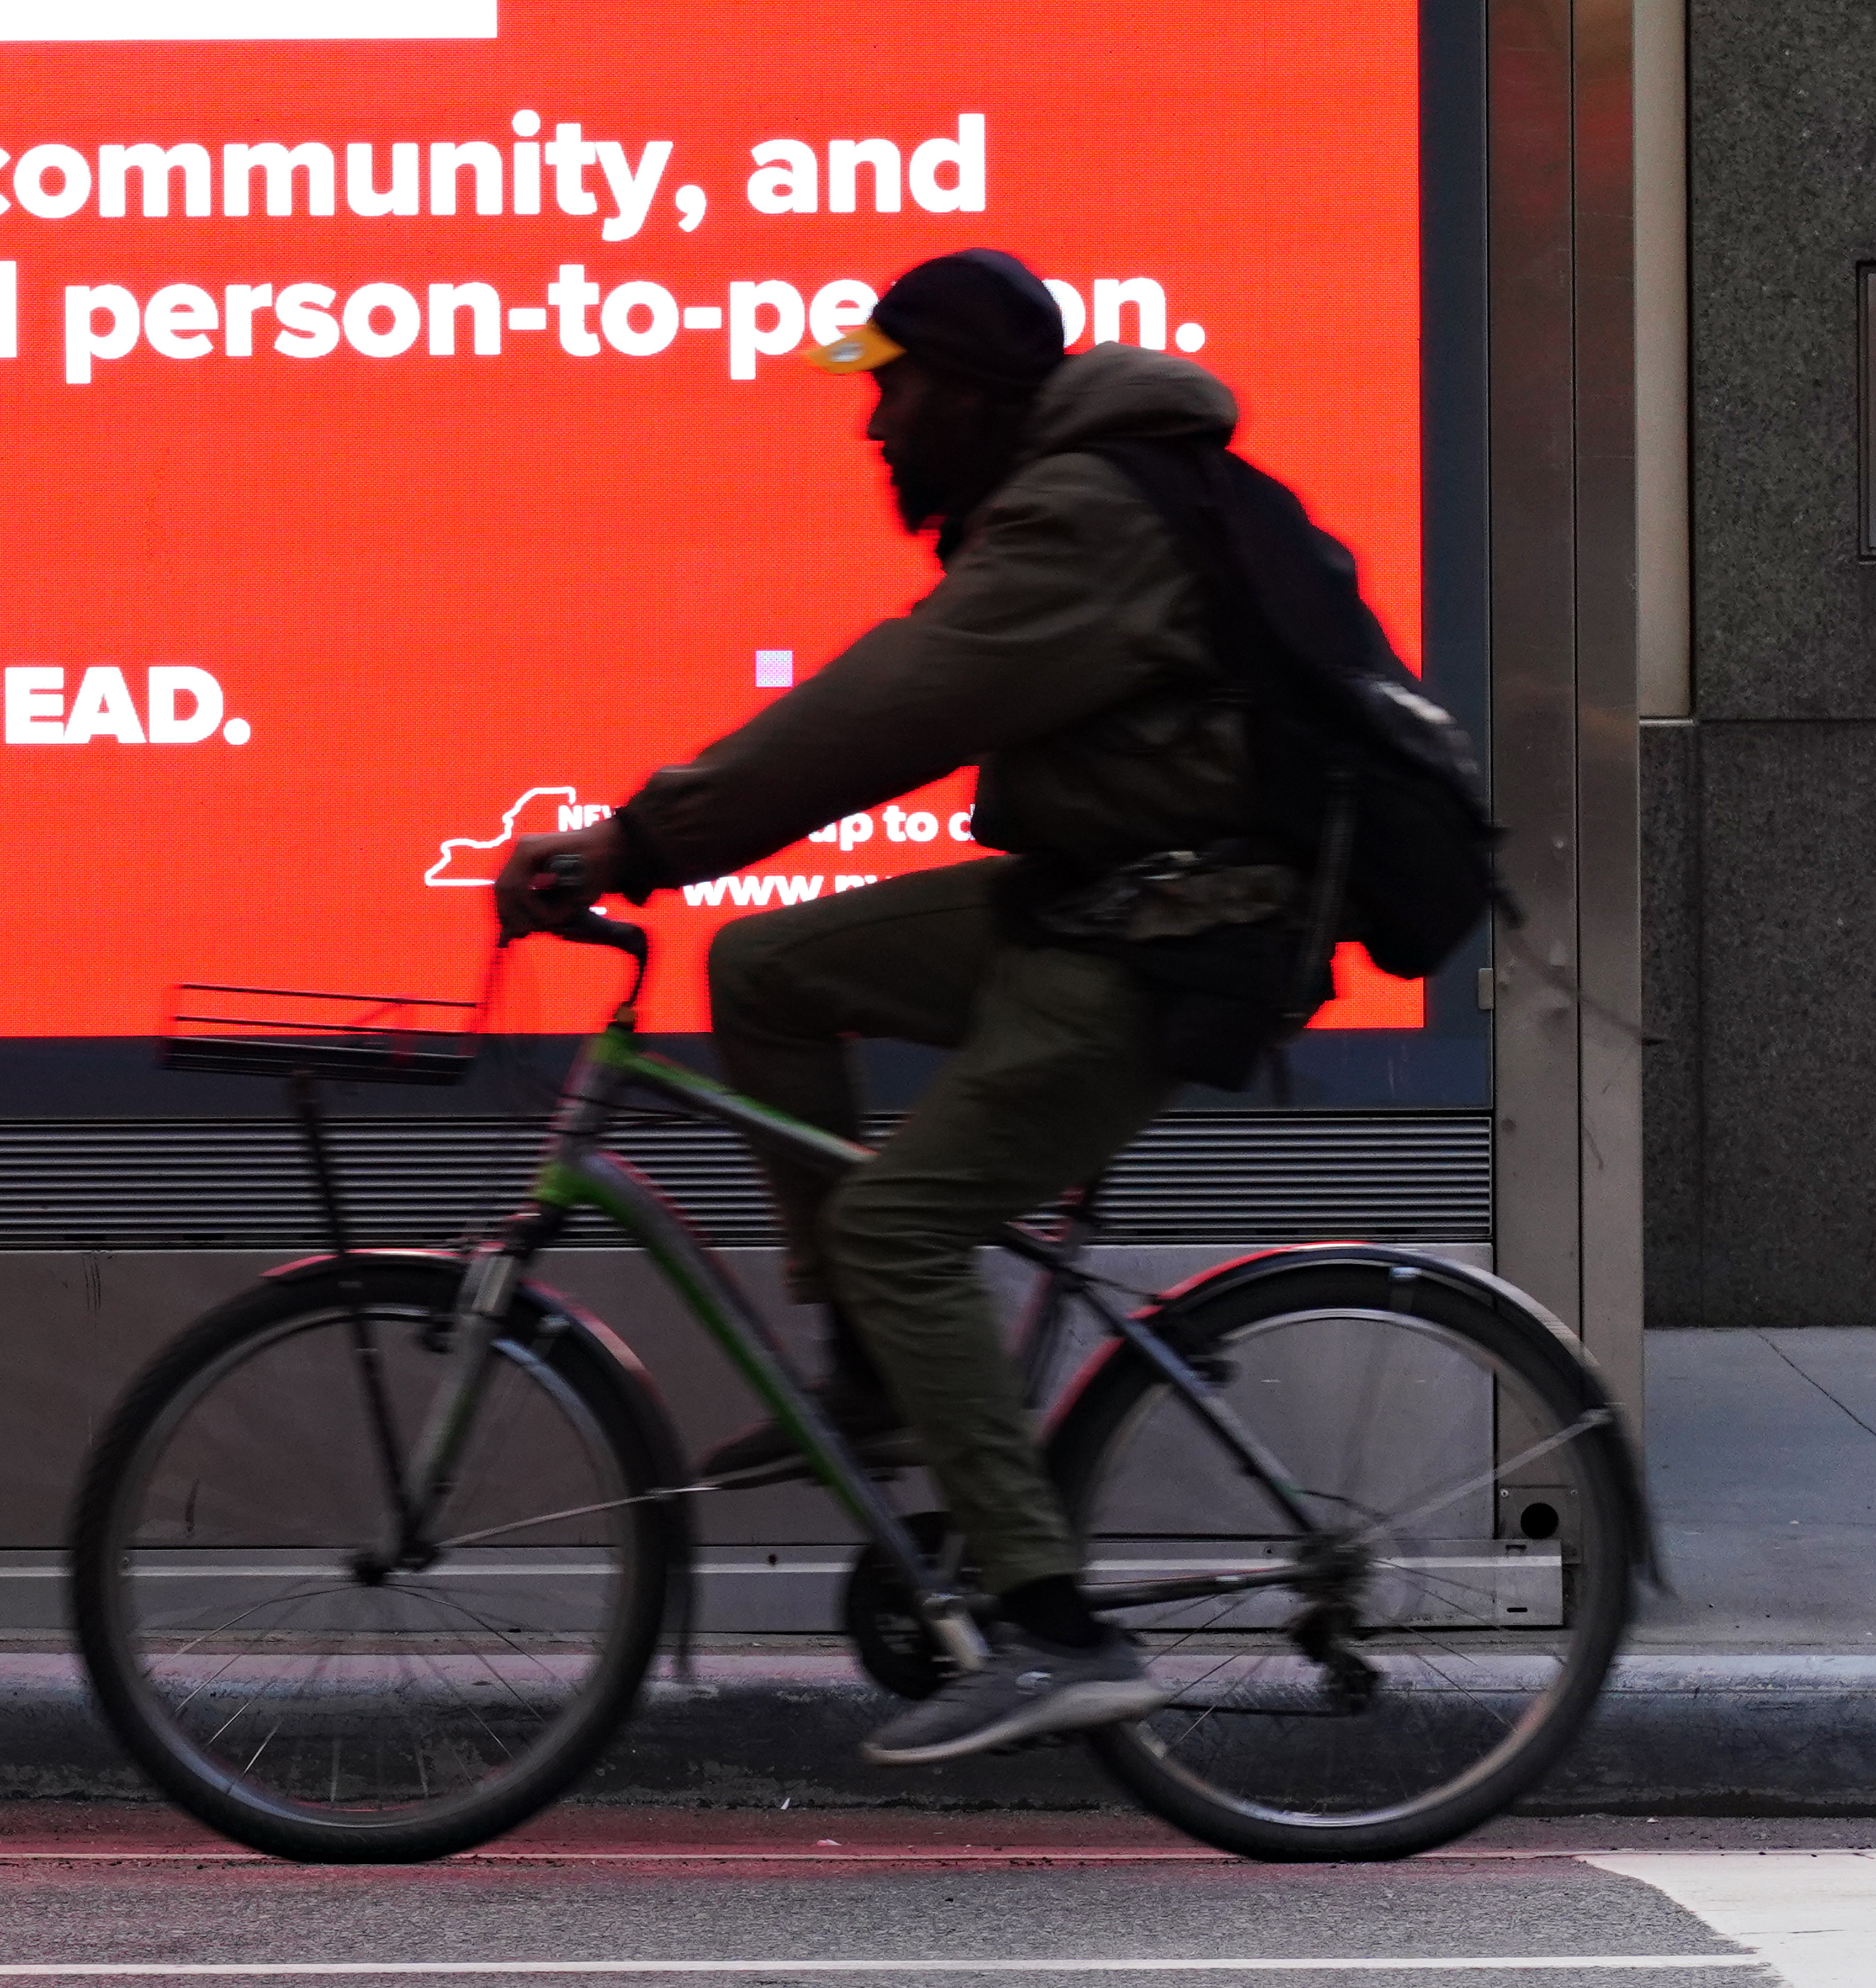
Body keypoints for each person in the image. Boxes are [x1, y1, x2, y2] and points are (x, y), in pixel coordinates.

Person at [500, 247, 1313, 1767]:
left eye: (890, 389)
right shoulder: (1082, 492)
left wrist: (639, 840)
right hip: (1108, 887)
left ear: (967, 390)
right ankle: (877, 1380)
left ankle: (1054, 1630)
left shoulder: (1088, 516)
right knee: (765, 968)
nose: (872, 426)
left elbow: (884, 709)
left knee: (897, 1226)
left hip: (1175, 929)